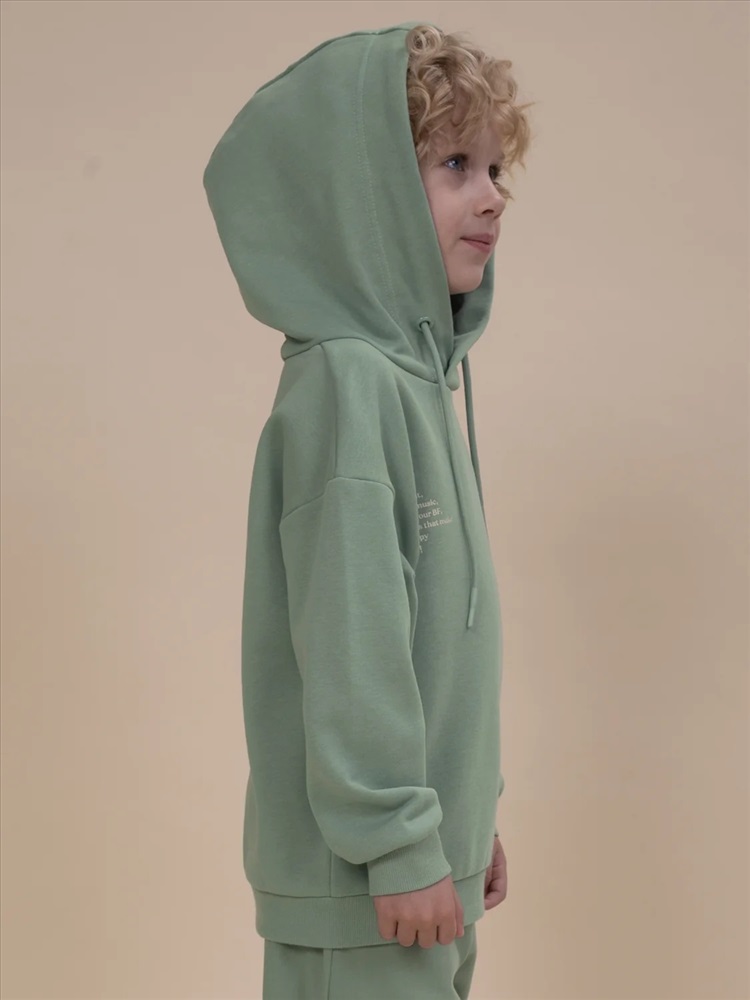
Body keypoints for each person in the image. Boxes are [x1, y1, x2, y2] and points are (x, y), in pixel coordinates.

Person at [202, 19, 534, 999]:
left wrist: (466, 825)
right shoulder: (348, 385)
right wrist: (397, 842)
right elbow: (353, 637)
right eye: (456, 164)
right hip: (368, 889)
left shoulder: (418, 385)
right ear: (369, 191)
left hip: (425, 872)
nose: (492, 195)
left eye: (497, 167)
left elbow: (437, 645)